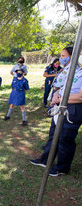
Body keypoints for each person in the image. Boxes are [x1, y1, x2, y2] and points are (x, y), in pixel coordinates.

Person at [30, 46, 82, 176]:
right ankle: (45, 160)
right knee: (53, 134)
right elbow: (63, 85)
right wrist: (56, 95)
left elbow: (80, 96)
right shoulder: (75, 71)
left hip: (73, 109)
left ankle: (62, 168)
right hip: (61, 106)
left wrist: (62, 99)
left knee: (65, 138)